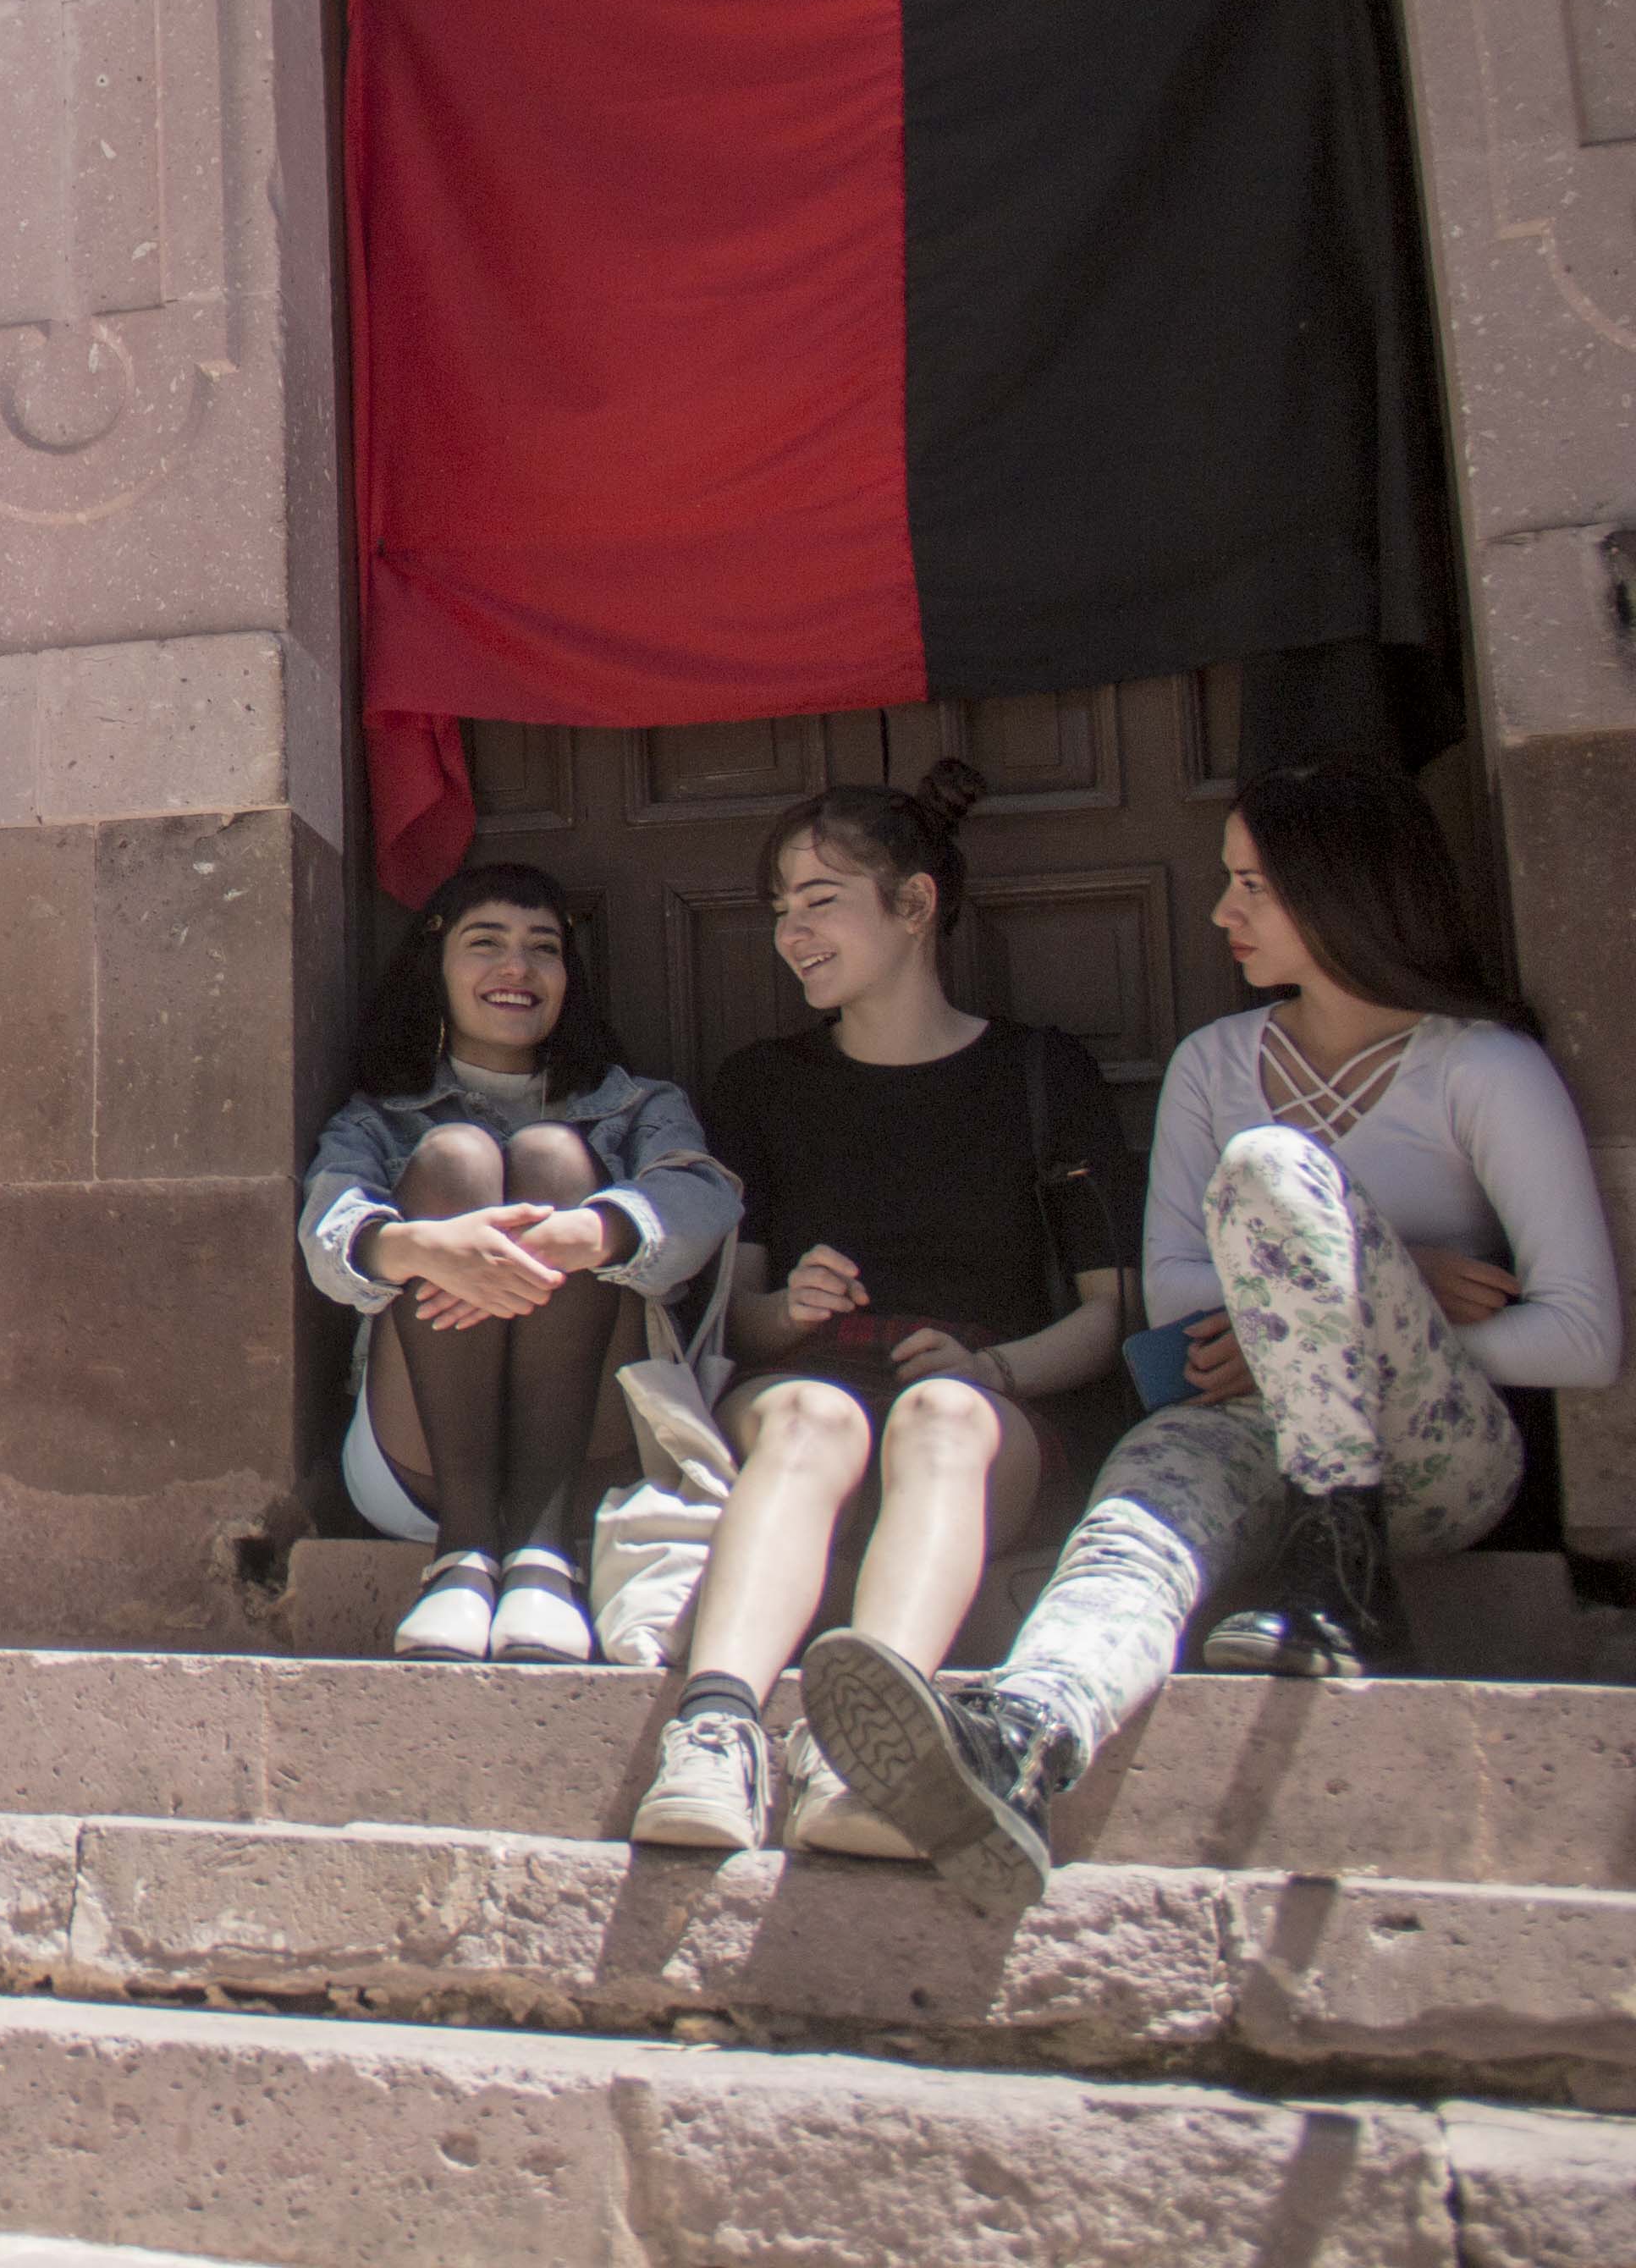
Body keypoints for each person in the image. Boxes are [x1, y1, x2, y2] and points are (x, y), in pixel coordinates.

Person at [805, 758, 1624, 1913]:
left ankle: (1347, 1586)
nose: (1220, 913)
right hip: (1244, 1436)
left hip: (1435, 1462)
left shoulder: (1480, 1069)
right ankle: (1023, 1736)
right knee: (1138, 1516)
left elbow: (1582, 1337)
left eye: (1253, 886)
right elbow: (1177, 1286)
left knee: (1273, 1171)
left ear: (1343, 892)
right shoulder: (1215, 1063)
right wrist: (1312, 1311)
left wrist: (1349, 1308)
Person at [627, 768, 1132, 1851]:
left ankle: (869, 1758)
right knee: (820, 1417)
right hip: (810, 1402)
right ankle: (714, 1735)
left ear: (914, 906)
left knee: (935, 1417)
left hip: (981, 1416)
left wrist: (992, 1375)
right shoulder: (763, 1084)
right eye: (780, 910)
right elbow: (740, 1325)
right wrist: (790, 1313)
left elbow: (1106, 1315)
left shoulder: (1043, 1072)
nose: (792, 934)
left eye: (821, 902)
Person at [301, 866, 737, 1660]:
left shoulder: (638, 1105)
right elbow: (326, 1233)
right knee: (456, 1161)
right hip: (419, 1466)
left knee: (552, 1157)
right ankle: (463, 1556)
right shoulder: (377, 1116)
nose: (517, 968)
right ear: (436, 969)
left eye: (544, 948)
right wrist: (424, 1248)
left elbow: (704, 1204)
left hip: (597, 1457)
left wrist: (592, 1236)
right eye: (486, 944)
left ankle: (542, 1555)